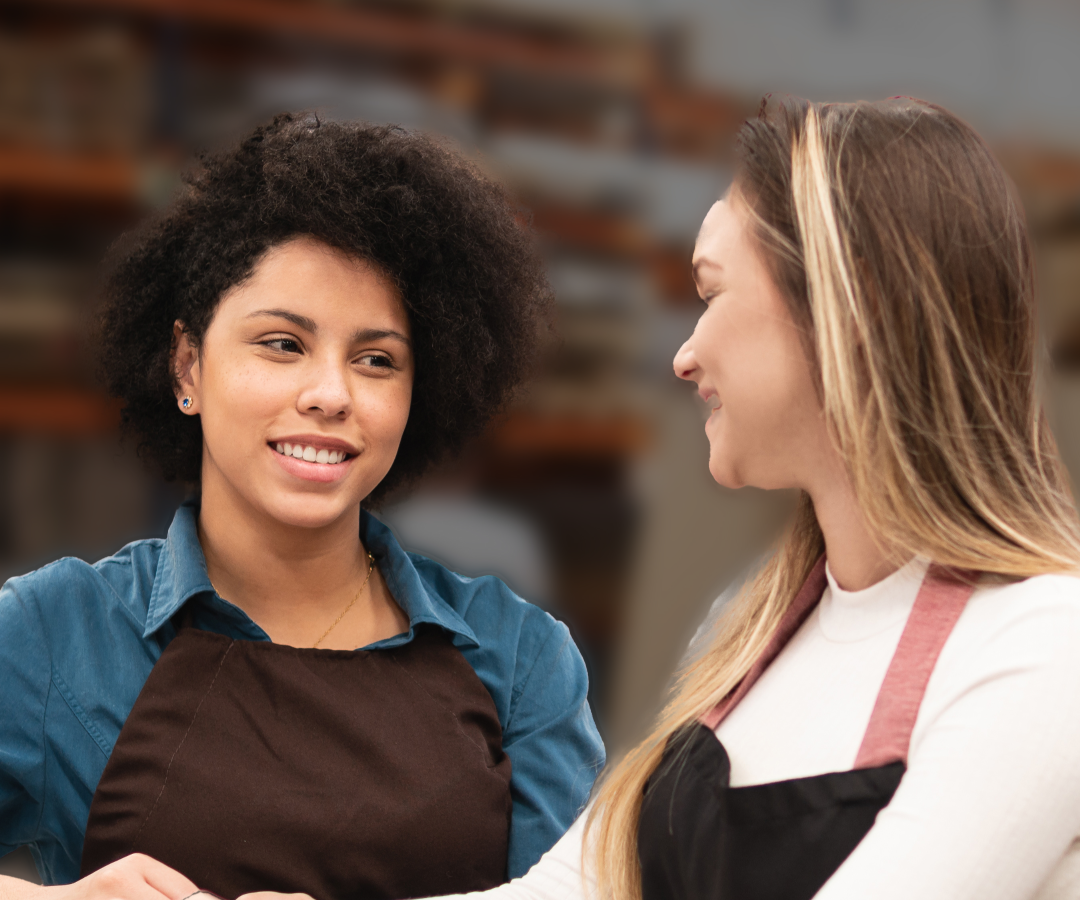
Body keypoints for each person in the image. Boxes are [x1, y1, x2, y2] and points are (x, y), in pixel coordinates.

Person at [421, 96, 1080, 900]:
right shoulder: (743, 635)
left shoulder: (1044, 643)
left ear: (850, 303)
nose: (685, 356)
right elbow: (569, 890)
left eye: (710, 291)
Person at [0, 114, 604, 900]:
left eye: (376, 360)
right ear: (188, 363)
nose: (331, 394)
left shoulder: (520, 661)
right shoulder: (56, 633)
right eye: (282, 343)